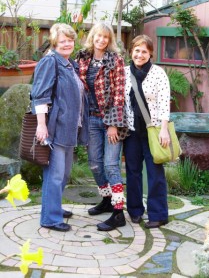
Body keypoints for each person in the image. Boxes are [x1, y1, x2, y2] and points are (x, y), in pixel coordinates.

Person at [31, 23, 88, 232]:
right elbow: (40, 95)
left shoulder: (69, 63)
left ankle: (53, 206)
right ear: (55, 42)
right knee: (55, 174)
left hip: (69, 128)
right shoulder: (49, 62)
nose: (67, 43)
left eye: (70, 40)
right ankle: (50, 218)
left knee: (63, 175)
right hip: (55, 128)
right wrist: (41, 125)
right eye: (62, 40)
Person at [76, 22, 127, 231]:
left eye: (106, 37)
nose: (102, 40)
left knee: (111, 165)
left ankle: (118, 213)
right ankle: (106, 200)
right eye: (98, 36)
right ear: (92, 37)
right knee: (95, 165)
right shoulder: (83, 58)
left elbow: (119, 94)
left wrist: (113, 124)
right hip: (90, 119)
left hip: (110, 122)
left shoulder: (116, 60)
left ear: (110, 40)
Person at [123, 34, 170, 229]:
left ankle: (158, 214)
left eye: (144, 51)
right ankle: (135, 211)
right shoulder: (125, 73)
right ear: (131, 52)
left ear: (150, 53)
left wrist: (164, 130)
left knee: (154, 172)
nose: (140, 55)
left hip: (154, 131)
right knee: (132, 172)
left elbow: (164, 103)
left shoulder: (158, 73)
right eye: (137, 50)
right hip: (131, 131)